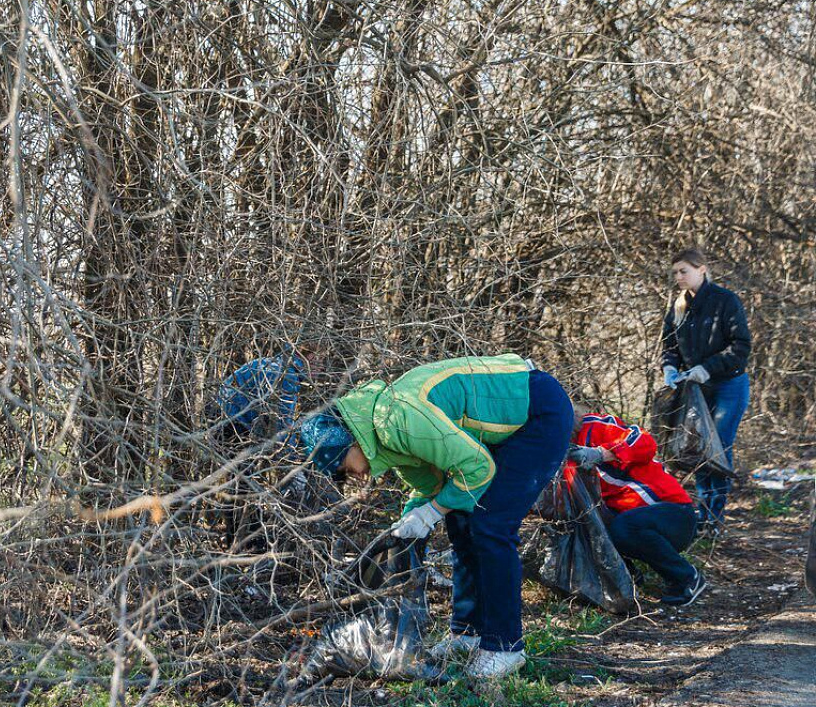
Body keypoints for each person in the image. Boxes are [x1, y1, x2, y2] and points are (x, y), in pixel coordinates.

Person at [300, 354, 572, 680]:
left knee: (491, 525)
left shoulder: (397, 418)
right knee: (459, 517)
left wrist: (430, 513)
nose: (354, 476)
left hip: (537, 413)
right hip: (501, 430)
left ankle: (504, 646)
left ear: (349, 443)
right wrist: (408, 523)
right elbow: (432, 487)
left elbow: (477, 468)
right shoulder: (383, 439)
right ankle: (467, 633)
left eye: (345, 468)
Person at [568, 408, 706, 606]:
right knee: (586, 524)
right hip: (635, 520)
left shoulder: (594, 426)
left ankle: (686, 578)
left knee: (623, 527)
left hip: (675, 514)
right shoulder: (561, 455)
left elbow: (645, 442)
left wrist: (601, 453)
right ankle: (629, 578)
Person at [660, 247, 751, 535]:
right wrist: (669, 368)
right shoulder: (678, 307)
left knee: (718, 446)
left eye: (683, 271)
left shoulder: (726, 301)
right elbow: (670, 346)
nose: (679, 277)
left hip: (728, 385)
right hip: (695, 390)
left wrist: (708, 367)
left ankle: (715, 517)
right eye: (675, 272)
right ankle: (704, 514)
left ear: (701, 269)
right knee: (698, 445)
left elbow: (740, 347)